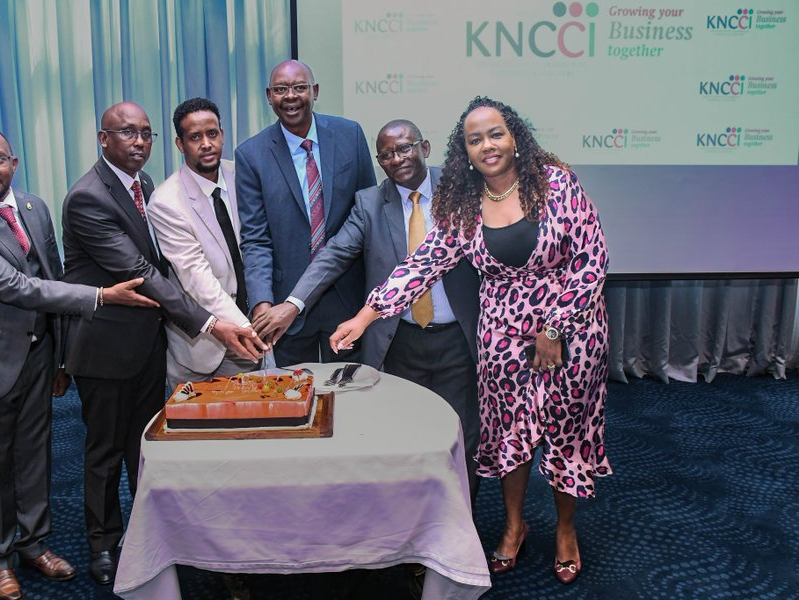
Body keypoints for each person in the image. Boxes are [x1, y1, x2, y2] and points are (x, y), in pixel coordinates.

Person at [331, 97, 611, 585]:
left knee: (566, 432)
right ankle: (514, 526)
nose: (487, 145)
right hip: (502, 333)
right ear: (464, 152)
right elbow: (422, 264)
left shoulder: (557, 184)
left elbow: (592, 259)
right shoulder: (462, 205)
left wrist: (554, 327)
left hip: (571, 331)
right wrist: (365, 315)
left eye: (495, 133)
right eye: (475, 139)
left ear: (515, 138)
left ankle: (566, 529)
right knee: (508, 435)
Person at [0, 126, 159, 600]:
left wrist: (61, 357)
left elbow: (54, 276)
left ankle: (34, 545)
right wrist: (100, 296)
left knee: (36, 459)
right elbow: (14, 286)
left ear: (13, 163)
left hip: (36, 355)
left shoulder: (33, 207)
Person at [61, 102, 266, 586]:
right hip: (106, 347)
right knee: (104, 451)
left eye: (145, 134)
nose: (138, 142)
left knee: (145, 446)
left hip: (148, 342)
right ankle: (103, 544)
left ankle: (149, 532)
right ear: (103, 138)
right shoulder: (88, 197)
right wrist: (211, 323)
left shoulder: (141, 184)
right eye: (126, 133)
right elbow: (142, 272)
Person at [255, 120, 481, 500]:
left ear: (424, 147)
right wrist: (294, 303)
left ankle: (461, 521)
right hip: (399, 342)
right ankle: (414, 522)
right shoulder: (369, 203)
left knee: (463, 435)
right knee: (407, 436)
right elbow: (333, 255)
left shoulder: (462, 189)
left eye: (405, 148)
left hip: (458, 339)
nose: (398, 159)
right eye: (387, 154)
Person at [235, 60, 376, 366]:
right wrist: (261, 302)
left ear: (315, 91)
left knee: (351, 387)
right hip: (285, 305)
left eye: (299, 87)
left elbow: (369, 213)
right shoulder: (250, 155)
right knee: (295, 389)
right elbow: (255, 239)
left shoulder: (350, 135)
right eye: (280, 89)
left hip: (347, 294)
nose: (290, 96)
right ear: (269, 96)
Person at [147, 97, 258, 385]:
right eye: (195, 137)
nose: (206, 144)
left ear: (222, 134)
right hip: (203, 346)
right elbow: (196, 278)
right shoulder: (166, 202)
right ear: (180, 144)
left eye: (212, 133)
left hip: (253, 329)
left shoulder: (243, 174)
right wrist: (246, 327)